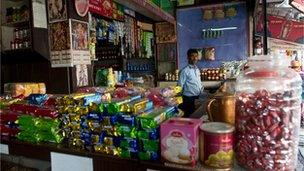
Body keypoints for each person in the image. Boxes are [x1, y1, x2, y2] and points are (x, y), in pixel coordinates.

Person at [178, 49, 203, 117]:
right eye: (192, 56)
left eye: (196, 56)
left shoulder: (197, 70)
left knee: (196, 116)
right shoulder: (185, 71)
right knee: (189, 117)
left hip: (197, 97)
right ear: (188, 57)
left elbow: (198, 82)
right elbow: (179, 86)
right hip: (188, 99)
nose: (195, 58)